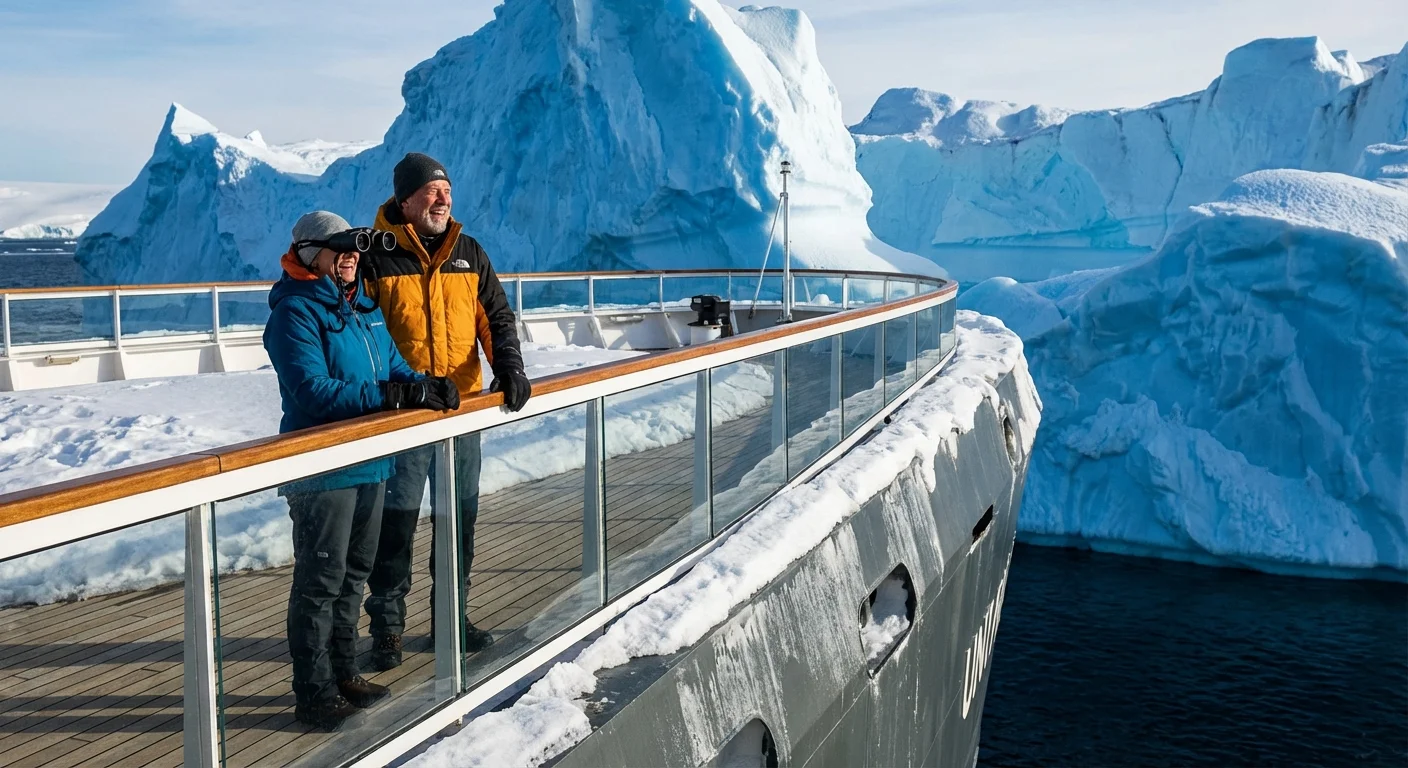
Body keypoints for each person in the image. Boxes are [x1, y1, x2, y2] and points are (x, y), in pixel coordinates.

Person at [263, 211, 460, 730]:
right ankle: (313, 690)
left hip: (373, 462)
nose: (352, 256)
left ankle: (346, 672)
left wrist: (427, 384)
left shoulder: (364, 308)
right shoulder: (295, 313)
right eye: (340, 248)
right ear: (308, 253)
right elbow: (314, 392)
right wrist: (393, 396)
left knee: (353, 575)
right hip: (323, 469)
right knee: (319, 582)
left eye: (356, 248)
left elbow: (393, 368)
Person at [362, 152, 531, 670]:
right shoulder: (377, 257)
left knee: (459, 522)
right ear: (405, 199)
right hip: (405, 418)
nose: (443, 199)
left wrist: (509, 366)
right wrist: (395, 393)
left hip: (462, 413)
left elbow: (496, 316)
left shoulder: (468, 252)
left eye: (447, 191)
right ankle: (387, 629)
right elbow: (364, 337)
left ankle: (450, 619)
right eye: (432, 191)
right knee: (396, 526)